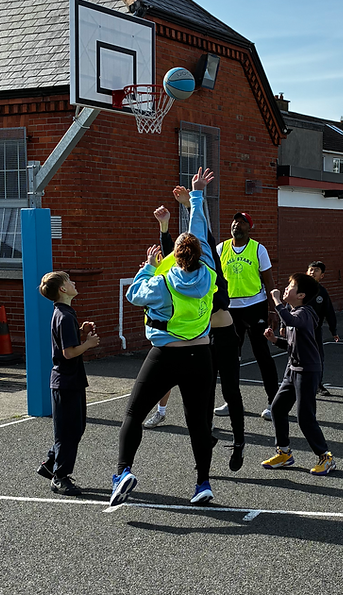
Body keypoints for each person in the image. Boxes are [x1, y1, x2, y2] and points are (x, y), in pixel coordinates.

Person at [110, 167, 217, 508]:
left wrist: (147, 265)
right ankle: (203, 483)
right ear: (200, 255)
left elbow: (134, 296)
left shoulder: (162, 281)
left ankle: (122, 472)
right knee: (198, 424)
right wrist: (196, 196)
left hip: (166, 354)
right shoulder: (211, 272)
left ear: (175, 257)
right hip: (201, 356)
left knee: (133, 414)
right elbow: (199, 227)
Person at [150, 190, 247, 471]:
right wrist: (165, 228)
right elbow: (170, 257)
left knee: (230, 391)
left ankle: (239, 443)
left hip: (225, 336)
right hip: (202, 341)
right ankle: (205, 444)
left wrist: (194, 201)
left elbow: (202, 234)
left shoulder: (209, 267)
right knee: (202, 396)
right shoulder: (181, 273)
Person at [261, 272, 335, 475]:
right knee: (277, 408)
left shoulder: (304, 313)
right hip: (292, 370)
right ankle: (284, 453)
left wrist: (276, 300)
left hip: (308, 371)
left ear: (301, 295)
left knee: (305, 417)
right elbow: (293, 345)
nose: (286, 289)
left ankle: (325, 457)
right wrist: (276, 340)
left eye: (290, 286)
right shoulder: (295, 313)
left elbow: (289, 320)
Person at [37, 271, 99, 497]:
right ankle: (60, 477)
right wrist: (89, 343)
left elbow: (67, 340)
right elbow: (69, 352)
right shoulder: (64, 316)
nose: (73, 283)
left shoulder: (65, 314)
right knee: (68, 432)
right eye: (69, 281)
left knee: (76, 427)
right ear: (63, 289)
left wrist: (80, 332)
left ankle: (50, 463)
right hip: (65, 382)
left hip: (70, 380)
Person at [217, 212, 278, 419]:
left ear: (249, 228)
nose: (237, 224)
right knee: (229, 358)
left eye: (242, 222)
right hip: (229, 309)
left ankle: (273, 401)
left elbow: (269, 281)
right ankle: (232, 401)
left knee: (262, 354)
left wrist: (273, 309)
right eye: (235, 221)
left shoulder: (258, 249)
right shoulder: (221, 248)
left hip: (255, 306)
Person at [306, 260, 339, 396]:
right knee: (296, 357)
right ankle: (295, 384)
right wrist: (284, 326)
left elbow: (329, 312)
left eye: (316, 270)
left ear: (322, 276)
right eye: (311, 270)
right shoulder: (298, 288)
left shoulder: (322, 293)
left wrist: (334, 331)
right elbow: (288, 306)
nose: (313, 272)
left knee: (318, 357)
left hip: (315, 331)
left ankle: (318, 384)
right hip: (299, 330)